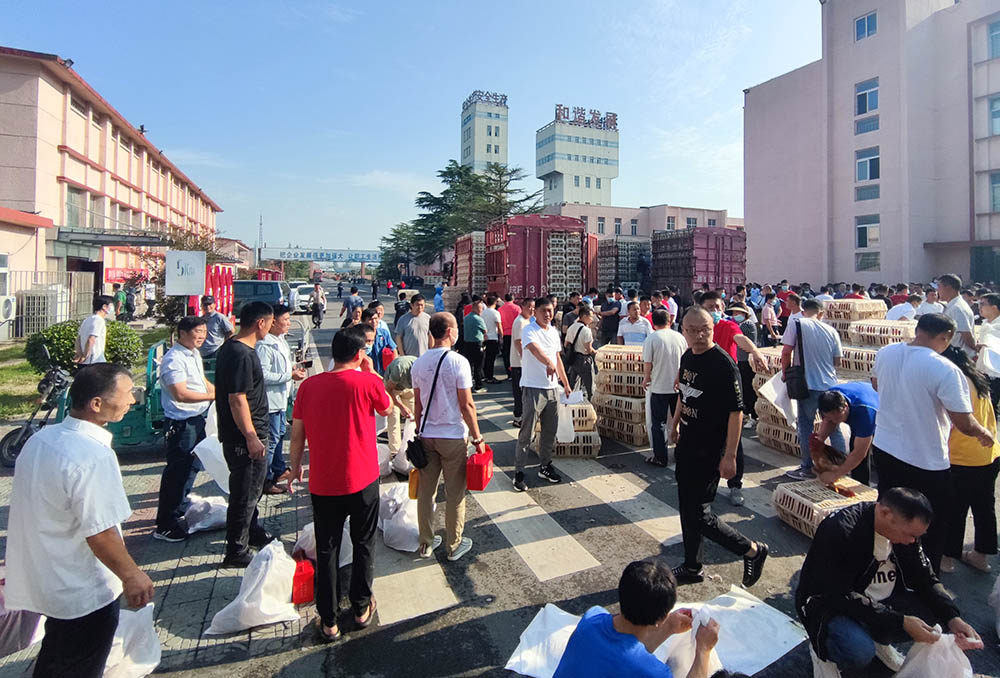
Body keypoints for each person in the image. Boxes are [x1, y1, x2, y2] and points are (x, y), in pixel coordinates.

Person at [6, 363, 153, 677]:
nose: (132, 401)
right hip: (84, 589)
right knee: (78, 663)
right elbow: (100, 532)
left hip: (49, 579)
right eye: (127, 394)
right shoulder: (91, 455)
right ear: (96, 404)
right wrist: (132, 575)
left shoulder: (42, 440)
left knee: (57, 657)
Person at [796, 488, 982, 674]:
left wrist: (953, 618)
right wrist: (900, 621)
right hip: (829, 607)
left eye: (917, 536)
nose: (912, 541)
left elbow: (925, 577)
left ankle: (878, 638)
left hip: (878, 602)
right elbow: (837, 595)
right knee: (859, 651)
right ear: (885, 513)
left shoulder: (905, 534)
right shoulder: (842, 531)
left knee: (933, 613)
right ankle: (824, 651)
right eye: (910, 534)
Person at [288, 325, 392, 641]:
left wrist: (294, 467)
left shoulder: (308, 386)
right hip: (363, 479)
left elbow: (297, 435)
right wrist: (371, 373)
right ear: (360, 354)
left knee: (327, 549)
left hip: (323, 482)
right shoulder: (367, 382)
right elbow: (387, 407)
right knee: (363, 544)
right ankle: (360, 608)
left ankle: (329, 620)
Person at [871, 313, 994, 573]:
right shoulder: (944, 369)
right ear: (946, 337)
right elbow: (964, 423)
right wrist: (983, 433)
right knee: (929, 522)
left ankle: (885, 563)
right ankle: (922, 576)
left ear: (918, 330)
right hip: (924, 458)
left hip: (885, 446)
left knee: (890, 508)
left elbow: (876, 384)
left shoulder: (886, 352)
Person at [670, 308, 768, 587]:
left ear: (713, 329)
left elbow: (736, 413)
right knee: (687, 508)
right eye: (693, 330)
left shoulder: (723, 364)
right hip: (687, 443)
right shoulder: (687, 356)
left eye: (705, 329)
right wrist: (674, 425)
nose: (700, 335)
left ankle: (751, 550)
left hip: (710, 447)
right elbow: (683, 394)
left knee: (700, 514)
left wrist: (730, 456)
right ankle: (692, 566)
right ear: (684, 331)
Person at [553, 560, 721, 678]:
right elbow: (632, 659)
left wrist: (669, 626)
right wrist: (703, 650)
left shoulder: (592, 617)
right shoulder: (653, 672)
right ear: (662, 617)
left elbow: (625, 651)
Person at [412, 313, 487, 562]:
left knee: (426, 492)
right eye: (456, 328)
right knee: (455, 493)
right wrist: (477, 438)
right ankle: (453, 545)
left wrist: (419, 430)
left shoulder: (419, 363)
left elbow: (418, 404)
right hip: (452, 436)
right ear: (449, 332)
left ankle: (426, 542)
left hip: (427, 435)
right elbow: (467, 405)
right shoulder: (458, 362)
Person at [214, 301, 275, 567]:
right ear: (260, 323)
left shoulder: (233, 347)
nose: (270, 328)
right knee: (245, 494)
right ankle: (236, 550)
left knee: (251, 490)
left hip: (246, 433)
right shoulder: (241, 354)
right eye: (270, 323)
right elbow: (237, 399)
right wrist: (251, 436)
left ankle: (252, 531)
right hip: (244, 438)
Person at [154, 316, 215, 541]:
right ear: (182, 333)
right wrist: (212, 396)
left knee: (192, 467)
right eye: (197, 332)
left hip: (197, 418)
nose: (202, 336)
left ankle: (179, 508)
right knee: (177, 473)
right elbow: (180, 393)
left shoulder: (193, 353)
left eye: (204, 332)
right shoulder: (174, 359)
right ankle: (165, 524)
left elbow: (202, 382)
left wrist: (217, 392)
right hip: (182, 423)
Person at [939, 346, 999, 574]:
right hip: (988, 455)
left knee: (955, 509)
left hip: (962, 456)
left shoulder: (955, 381)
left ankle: (947, 558)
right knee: (984, 508)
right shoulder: (979, 380)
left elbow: (953, 421)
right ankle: (981, 556)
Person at [781, 299, 847, 481]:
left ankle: (807, 468)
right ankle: (841, 468)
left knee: (805, 427)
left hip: (807, 385)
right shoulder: (831, 331)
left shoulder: (797, 324)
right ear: (821, 313)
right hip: (829, 386)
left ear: (803, 311)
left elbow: (786, 352)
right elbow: (837, 361)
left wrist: (785, 373)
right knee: (833, 427)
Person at [513, 297, 572, 491]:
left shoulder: (554, 332)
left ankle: (545, 466)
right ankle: (519, 472)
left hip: (552, 389)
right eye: (543, 311)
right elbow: (534, 348)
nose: (547, 314)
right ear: (535, 312)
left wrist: (565, 383)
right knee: (527, 433)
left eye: (550, 310)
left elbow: (557, 358)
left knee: (549, 432)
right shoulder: (529, 330)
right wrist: (547, 362)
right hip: (533, 388)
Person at [256, 304, 306, 496]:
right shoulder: (264, 345)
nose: (289, 323)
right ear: (273, 322)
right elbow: (262, 374)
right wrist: (288, 375)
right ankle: (265, 480)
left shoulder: (280, 340)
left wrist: (293, 368)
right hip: (270, 401)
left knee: (279, 435)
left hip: (281, 399)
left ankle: (278, 469)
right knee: (271, 440)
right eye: (285, 320)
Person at [643, 309, 686, 468]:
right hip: (678, 387)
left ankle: (660, 457)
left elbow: (648, 363)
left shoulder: (652, 338)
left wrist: (646, 378)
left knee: (658, 423)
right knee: (680, 421)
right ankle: (681, 453)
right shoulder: (680, 337)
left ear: (653, 322)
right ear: (670, 321)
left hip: (659, 387)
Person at [814, 382, 879, 486]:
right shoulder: (828, 398)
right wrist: (818, 443)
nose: (834, 421)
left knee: (879, 456)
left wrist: (836, 474)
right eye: (830, 418)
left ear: (845, 407)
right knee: (855, 456)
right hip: (858, 406)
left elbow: (859, 453)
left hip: (882, 416)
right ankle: (859, 483)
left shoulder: (865, 413)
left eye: (837, 418)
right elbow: (827, 422)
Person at [730, 302, 758, 434]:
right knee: (744, 388)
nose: (735, 315)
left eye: (738, 313)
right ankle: (748, 413)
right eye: (734, 313)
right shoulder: (740, 324)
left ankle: (753, 416)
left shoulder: (747, 325)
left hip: (747, 360)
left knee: (748, 388)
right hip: (741, 360)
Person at [384, 354, 417, 461]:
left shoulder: (424, 370)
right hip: (393, 388)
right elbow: (388, 389)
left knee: (414, 417)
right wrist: (401, 407)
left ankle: (414, 447)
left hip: (408, 389)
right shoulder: (400, 369)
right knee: (394, 418)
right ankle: (395, 451)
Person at [509, 298, 535, 428]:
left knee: (524, 391)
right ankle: (518, 416)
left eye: (533, 307)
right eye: (529, 306)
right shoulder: (520, 322)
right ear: (522, 306)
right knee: (519, 392)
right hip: (519, 363)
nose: (531, 309)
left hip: (523, 362)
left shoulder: (527, 321)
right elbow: (518, 342)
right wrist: (525, 358)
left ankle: (522, 415)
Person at [937, 273, 976, 357]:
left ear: (948, 287)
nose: (937, 290)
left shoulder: (957, 308)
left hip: (958, 356)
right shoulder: (953, 305)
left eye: (939, 287)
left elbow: (966, 336)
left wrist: (976, 349)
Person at [565, 306, 597, 399]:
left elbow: (566, 344)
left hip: (574, 359)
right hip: (584, 360)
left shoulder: (571, 327)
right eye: (591, 316)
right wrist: (595, 352)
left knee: (573, 384)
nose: (592, 319)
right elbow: (588, 349)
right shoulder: (586, 330)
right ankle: (591, 402)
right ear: (584, 316)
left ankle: (569, 403)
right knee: (589, 386)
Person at [975, 292, 1000, 412]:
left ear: (994, 308)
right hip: (984, 370)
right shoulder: (986, 323)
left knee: (991, 406)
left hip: (996, 372)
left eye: (983, 304)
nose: (979, 307)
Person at [75, 295, 113, 364]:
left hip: (84, 363)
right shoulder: (99, 320)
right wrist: (85, 356)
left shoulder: (87, 320)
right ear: (104, 306)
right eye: (111, 305)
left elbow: (78, 340)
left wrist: (80, 355)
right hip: (95, 361)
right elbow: (91, 339)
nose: (112, 307)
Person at [461, 296, 487, 391]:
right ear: (476, 308)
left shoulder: (466, 318)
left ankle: (468, 384)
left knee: (469, 365)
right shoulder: (478, 319)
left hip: (467, 343)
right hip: (477, 343)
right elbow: (485, 331)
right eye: (480, 308)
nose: (481, 310)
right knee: (478, 366)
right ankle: (478, 385)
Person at [200, 295, 234, 360]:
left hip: (215, 351)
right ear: (201, 306)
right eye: (205, 304)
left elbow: (231, 331)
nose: (208, 307)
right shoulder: (201, 319)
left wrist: (223, 343)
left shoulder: (219, 317)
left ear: (214, 305)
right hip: (203, 352)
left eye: (210, 304)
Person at [482, 294, 503, 384]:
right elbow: (499, 326)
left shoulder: (483, 312)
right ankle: (490, 377)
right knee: (491, 358)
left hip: (485, 337)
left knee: (486, 358)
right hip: (493, 337)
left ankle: (486, 375)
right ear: (495, 303)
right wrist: (501, 336)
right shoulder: (495, 313)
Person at [498, 293, 521, 377]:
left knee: (506, 353)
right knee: (515, 353)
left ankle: (508, 371)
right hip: (515, 333)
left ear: (504, 299)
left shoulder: (500, 309)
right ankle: (515, 370)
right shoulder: (517, 308)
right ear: (513, 299)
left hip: (505, 333)